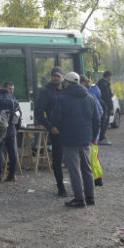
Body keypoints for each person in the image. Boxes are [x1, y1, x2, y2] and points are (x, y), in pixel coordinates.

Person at [49, 72, 100, 208]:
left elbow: (55, 119)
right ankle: (90, 197)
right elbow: (96, 120)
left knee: (75, 170)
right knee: (87, 169)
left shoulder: (63, 98)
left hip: (69, 140)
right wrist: (92, 137)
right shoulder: (90, 98)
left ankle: (79, 199)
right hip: (86, 139)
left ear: (67, 82)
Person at [35, 66, 68, 197]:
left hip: (70, 130)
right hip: (56, 131)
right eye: (53, 75)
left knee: (74, 159)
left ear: (63, 77)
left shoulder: (68, 91)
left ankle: (78, 187)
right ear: (51, 77)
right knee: (57, 160)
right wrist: (50, 126)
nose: (55, 78)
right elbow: (38, 112)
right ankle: (61, 187)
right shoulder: (46, 92)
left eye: (58, 76)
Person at [0, 81, 21, 182]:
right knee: (13, 152)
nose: (11, 90)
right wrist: (17, 127)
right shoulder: (12, 97)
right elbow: (19, 113)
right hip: (11, 128)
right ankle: (12, 174)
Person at [83, 75, 105, 187]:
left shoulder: (89, 96)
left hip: (91, 131)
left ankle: (97, 178)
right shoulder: (94, 94)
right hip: (94, 130)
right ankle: (97, 177)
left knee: (93, 156)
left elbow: (99, 113)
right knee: (94, 156)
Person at [96, 71, 114, 145]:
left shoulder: (99, 83)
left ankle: (100, 137)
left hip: (100, 104)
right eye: (110, 76)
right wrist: (111, 108)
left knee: (101, 121)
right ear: (108, 76)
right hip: (104, 105)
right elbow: (107, 97)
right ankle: (102, 138)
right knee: (105, 122)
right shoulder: (105, 85)